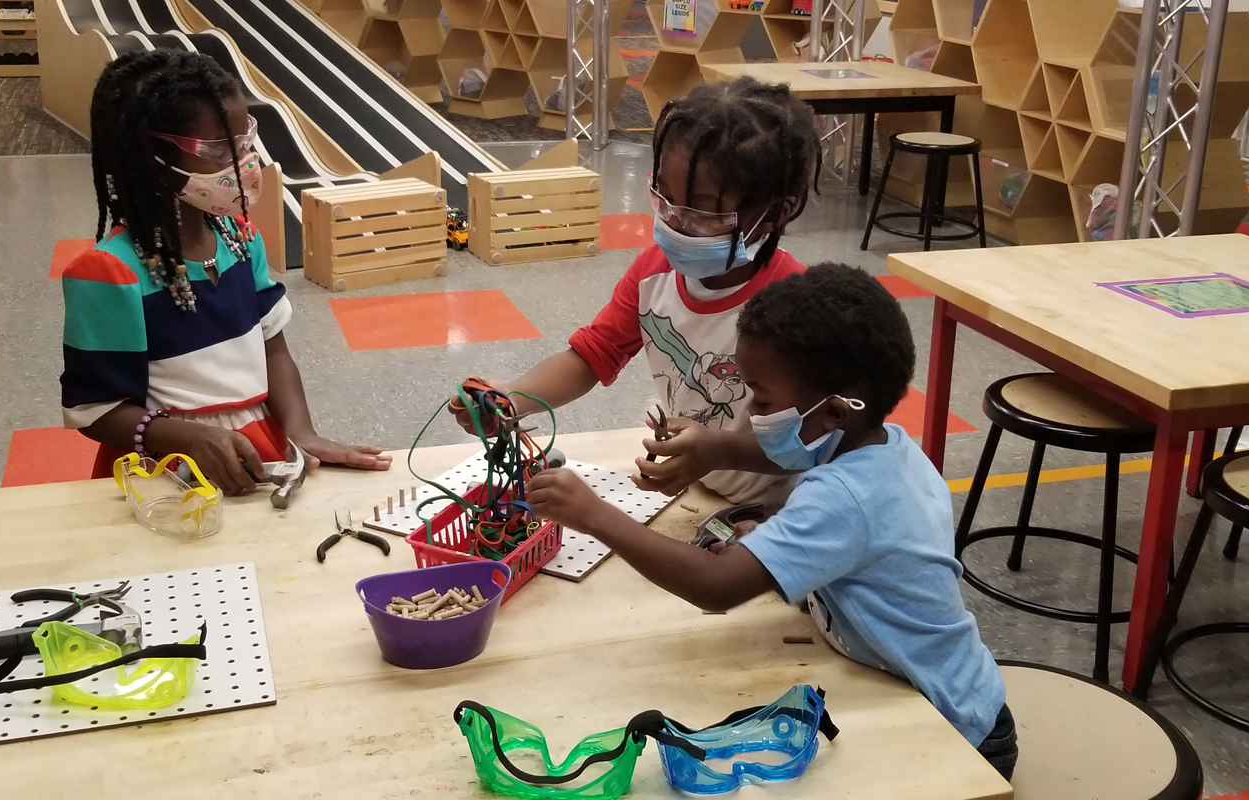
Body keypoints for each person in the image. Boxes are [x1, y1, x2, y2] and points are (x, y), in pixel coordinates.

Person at [526, 264, 1017, 779]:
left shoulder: (844, 496)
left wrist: (594, 514)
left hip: (955, 732)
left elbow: (716, 587)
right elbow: (829, 506)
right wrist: (735, 481)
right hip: (937, 688)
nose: (753, 413)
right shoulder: (881, 449)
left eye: (763, 400)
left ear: (832, 414)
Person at [450, 77, 821, 508]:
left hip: (780, 510)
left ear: (775, 213)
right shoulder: (654, 271)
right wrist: (513, 398)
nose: (675, 224)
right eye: (664, 198)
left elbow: (816, 445)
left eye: (701, 212)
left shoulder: (799, 305)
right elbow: (593, 353)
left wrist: (714, 453)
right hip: (701, 494)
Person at [59, 50, 389, 495]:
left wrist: (301, 431)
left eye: (246, 141)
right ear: (149, 156)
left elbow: (274, 351)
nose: (243, 163)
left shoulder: (242, 240)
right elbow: (96, 408)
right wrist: (189, 437)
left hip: (258, 450)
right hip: (167, 471)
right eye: (220, 150)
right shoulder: (108, 273)